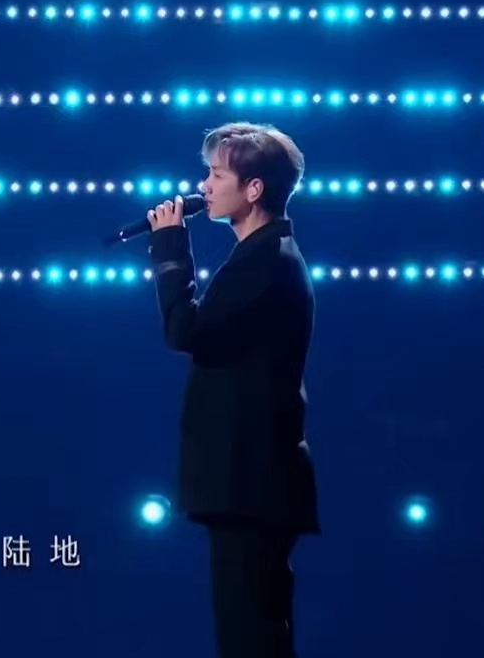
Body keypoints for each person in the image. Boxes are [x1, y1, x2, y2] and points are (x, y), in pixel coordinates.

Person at [146, 122, 318, 658]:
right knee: (249, 631)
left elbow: (187, 331)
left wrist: (170, 248)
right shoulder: (260, 257)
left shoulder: (268, 262)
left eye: (217, 175)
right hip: (248, 483)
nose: (203, 186)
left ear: (254, 188)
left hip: (251, 482)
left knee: (252, 636)